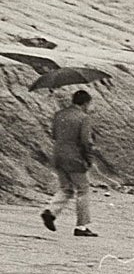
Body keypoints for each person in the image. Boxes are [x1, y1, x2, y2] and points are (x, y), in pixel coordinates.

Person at [40, 89, 98, 237]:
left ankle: (51, 212)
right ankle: (81, 227)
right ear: (85, 103)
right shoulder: (84, 117)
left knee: (66, 188)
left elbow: (54, 135)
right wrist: (89, 159)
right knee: (83, 190)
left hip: (58, 156)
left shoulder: (59, 115)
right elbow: (85, 142)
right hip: (75, 158)